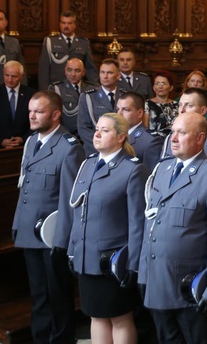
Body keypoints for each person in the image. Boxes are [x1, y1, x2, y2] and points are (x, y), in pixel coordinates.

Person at [139, 112, 207, 344]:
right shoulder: (162, 169)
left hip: (191, 289)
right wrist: (144, 275)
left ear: (200, 138)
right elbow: (150, 226)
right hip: (159, 282)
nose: (173, 138)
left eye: (181, 133)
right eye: (172, 132)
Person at [68, 113, 150, 344]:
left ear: (121, 136)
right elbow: (78, 211)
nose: (97, 133)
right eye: (97, 129)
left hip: (113, 261)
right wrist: (73, 250)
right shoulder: (88, 164)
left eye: (105, 130)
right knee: (96, 316)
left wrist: (133, 265)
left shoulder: (132, 169)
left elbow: (137, 223)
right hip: (87, 257)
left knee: (120, 318)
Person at [12, 91, 85, 344]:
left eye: (39, 111)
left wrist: (62, 241)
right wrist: (17, 224)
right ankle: (40, 339)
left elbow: (70, 201)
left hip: (51, 236)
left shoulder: (68, 148)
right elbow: (25, 188)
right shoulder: (32, 141)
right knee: (39, 295)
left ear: (55, 114)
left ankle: (61, 340)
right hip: (29, 232)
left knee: (57, 295)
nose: (32, 116)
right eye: (31, 111)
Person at [162, 88, 207, 170]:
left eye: (189, 105)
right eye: (180, 105)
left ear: (203, 110)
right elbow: (163, 170)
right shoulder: (172, 136)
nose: (181, 110)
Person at [38, 11, 98, 90]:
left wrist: (96, 86)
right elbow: (44, 69)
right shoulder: (50, 41)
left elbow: (90, 68)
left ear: (74, 25)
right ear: (60, 24)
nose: (66, 26)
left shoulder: (83, 43)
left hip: (77, 87)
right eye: (63, 23)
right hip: (56, 87)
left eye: (69, 23)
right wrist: (44, 90)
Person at [78, 59, 123, 154]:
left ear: (118, 75)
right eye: (102, 72)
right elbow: (83, 128)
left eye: (110, 73)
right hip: (95, 150)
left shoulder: (124, 96)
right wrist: (102, 145)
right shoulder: (88, 97)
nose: (105, 76)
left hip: (120, 149)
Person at [117, 91, 163, 173]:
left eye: (126, 110)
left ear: (140, 113)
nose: (119, 114)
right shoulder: (114, 135)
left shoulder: (150, 141)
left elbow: (149, 176)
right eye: (117, 109)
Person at [48, 57, 95, 138]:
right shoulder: (56, 88)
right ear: (65, 71)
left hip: (88, 135)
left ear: (83, 72)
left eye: (77, 71)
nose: (73, 74)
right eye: (69, 70)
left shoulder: (92, 88)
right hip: (64, 135)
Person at [145, 70, 179, 137]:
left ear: (171, 87)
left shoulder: (176, 105)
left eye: (163, 83)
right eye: (157, 83)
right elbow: (145, 127)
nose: (160, 86)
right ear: (153, 88)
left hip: (172, 139)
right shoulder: (147, 104)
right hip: (153, 140)